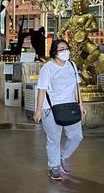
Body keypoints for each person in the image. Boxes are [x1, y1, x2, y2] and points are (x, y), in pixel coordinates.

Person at [34, 38, 86, 180]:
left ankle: (63, 157)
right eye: (61, 49)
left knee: (77, 136)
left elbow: (76, 86)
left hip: (70, 106)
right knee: (54, 139)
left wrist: (80, 104)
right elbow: (42, 90)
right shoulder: (48, 68)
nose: (65, 51)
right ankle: (54, 167)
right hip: (50, 108)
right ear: (54, 52)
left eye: (66, 48)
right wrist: (38, 110)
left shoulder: (72, 65)